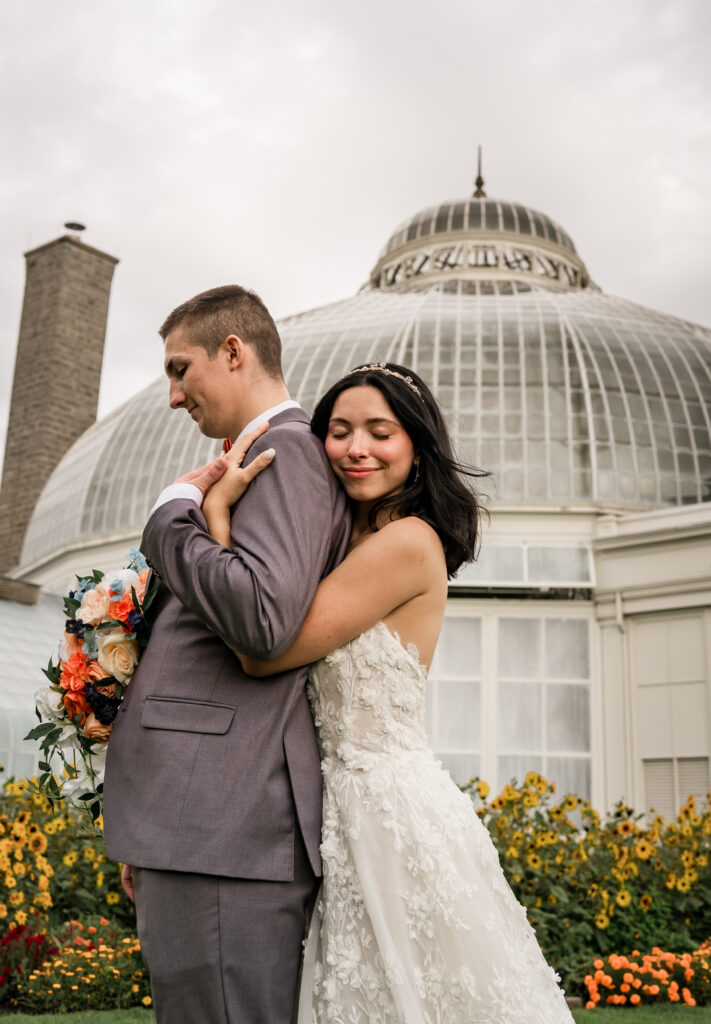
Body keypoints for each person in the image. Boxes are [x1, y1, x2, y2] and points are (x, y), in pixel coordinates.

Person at [202, 362, 575, 1023]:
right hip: (333, 809)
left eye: (380, 432)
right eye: (339, 431)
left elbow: (260, 653)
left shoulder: (405, 542)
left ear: (416, 447)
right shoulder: (340, 538)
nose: (357, 448)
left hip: (387, 816)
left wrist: (215, 517)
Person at [102, 285, 350, 1024]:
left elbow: (263, 618)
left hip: (223, 830)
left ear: (234, 351)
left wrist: (171, 514)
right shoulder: (255, 457)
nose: (174, 395)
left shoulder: (289, 452)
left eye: (181, 369)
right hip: (199, 825)